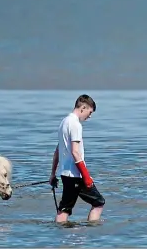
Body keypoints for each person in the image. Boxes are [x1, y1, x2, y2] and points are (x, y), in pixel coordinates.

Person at [49, 94, 105, 223]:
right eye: (89, 112)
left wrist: (52, 174)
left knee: (65, 208)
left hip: (65, 173)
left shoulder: (64, 122)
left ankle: (59, 234)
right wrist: (86, 176)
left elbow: (57, 151)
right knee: (98, 202)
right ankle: (92, 231)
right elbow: (75, 152)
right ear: (83, 107)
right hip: (75, 175)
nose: (89, 116)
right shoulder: (75, 124)